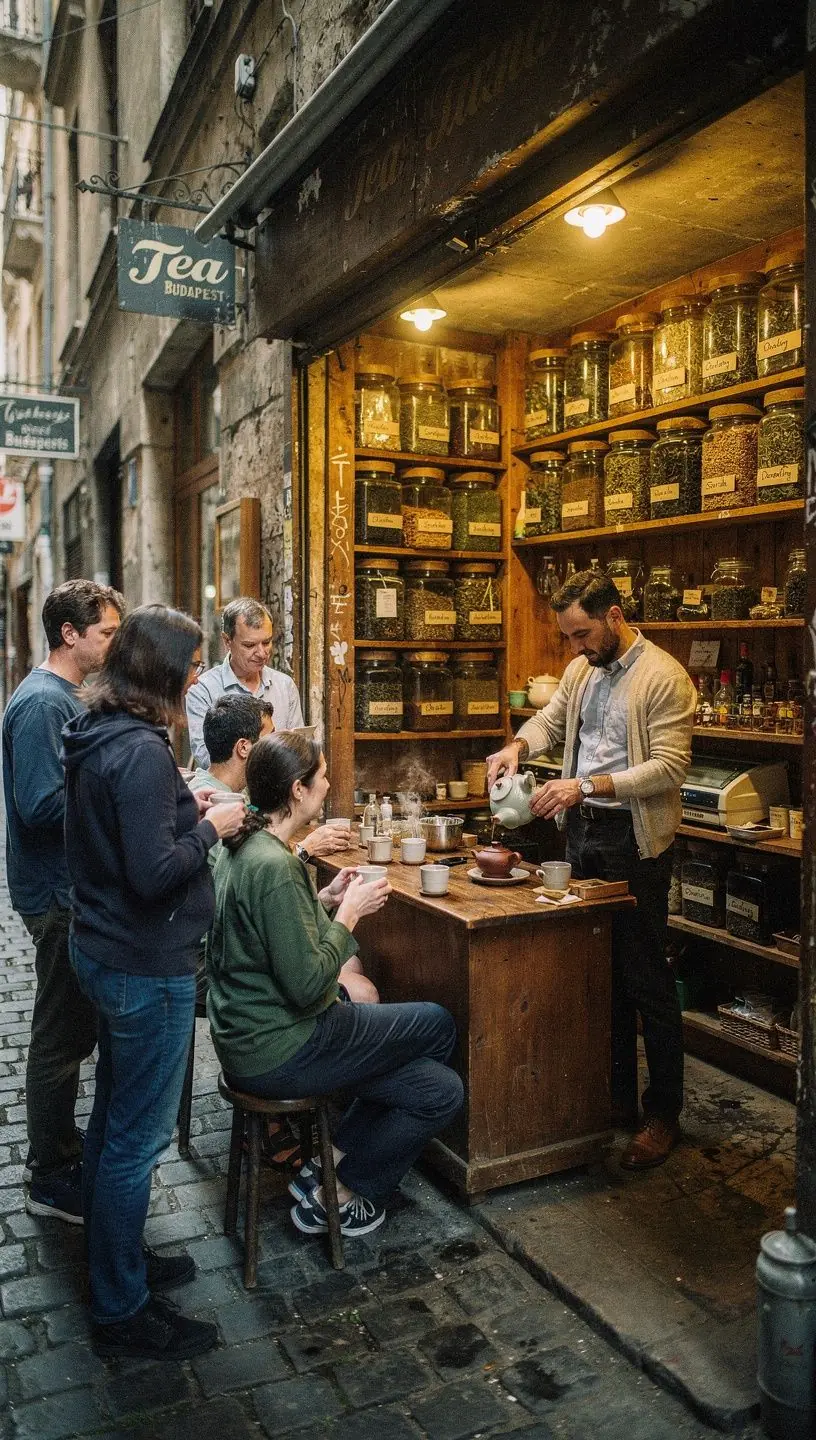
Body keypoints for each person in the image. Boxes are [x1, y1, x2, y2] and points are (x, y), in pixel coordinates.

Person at [61, 605, 246, 1360]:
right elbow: (152, 876)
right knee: (134, 1143)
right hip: (143, 965)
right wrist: (211, 828)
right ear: (163, 671)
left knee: (111, 1126)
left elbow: (128, 833)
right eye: (194, 664)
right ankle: (120, 1309)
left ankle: (120, 1264)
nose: (200, 676)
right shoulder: (138, 750)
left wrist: (182, 807)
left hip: (107, 952)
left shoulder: (100, 731)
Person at [207, 733, 464, 1237]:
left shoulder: (247, 847)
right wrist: (349, 916)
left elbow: (273, 940)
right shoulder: (273, 864)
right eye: (322, 778)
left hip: (250, 1038)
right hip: (282, 1047)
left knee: (441, 1088)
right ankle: (344, 1191)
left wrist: (322, 901)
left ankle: (327, 1167)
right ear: (298, 790)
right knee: (437, 1024)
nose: (328, 785)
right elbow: (306, 986)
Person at [487, 570, 695, 1171]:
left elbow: (668, 769)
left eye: (582, 634)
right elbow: (551, 722)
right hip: (581, 833)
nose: (575, 647)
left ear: (615, 615)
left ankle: (663, 1113)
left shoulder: (664, 678)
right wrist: (517, 747)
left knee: (644, 975)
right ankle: (613, 1102)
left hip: (634, 839)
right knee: (595, 969)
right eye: (569, 636)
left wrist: (587, 785)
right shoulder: (581, 671)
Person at [1, 579, 123, 1223]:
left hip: (70, 888)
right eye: (104, 631)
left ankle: (60, 1153)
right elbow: (39, 803)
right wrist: (111, 794)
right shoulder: (42, 704)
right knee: (59, 1033)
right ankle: (49, 1173)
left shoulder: (67, 695)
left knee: (70, 1027)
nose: (113, 640)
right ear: (69, 634)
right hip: (55, 894)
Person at [186, 596, 304, 768]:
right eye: (250, 645)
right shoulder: (203, 689)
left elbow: (300, 751)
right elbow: (206, 758)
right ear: (227, 641)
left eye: (267, 642)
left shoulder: (285, 686)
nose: (262, 653)